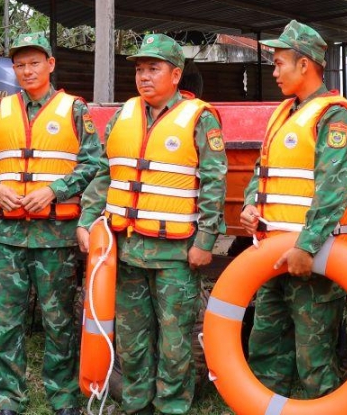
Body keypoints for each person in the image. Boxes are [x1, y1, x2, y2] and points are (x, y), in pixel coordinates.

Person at [76, 34, 227, 415]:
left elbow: (214, 181)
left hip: (176, 252)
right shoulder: (124, 114)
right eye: (140, 69)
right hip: (126, 250)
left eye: (153, 68)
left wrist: (206, 239)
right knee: (132, 339)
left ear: (176, 75)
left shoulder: (199, 117)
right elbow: (104, 173)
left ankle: (172, 407)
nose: (144, 77)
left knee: (175, 340)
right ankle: (136, 405)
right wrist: (86, 219)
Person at [0, 32, 104, 415]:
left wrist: (56, 190)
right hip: (8, 236)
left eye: (34, 63)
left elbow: (96, 164)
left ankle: (63, 399)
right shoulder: (1, 109)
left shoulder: (74, 110)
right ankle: (10, 400)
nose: (27, 70)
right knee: (6, 322)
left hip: (54, 237)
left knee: (59, 323)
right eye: (20, 64)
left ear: (50, 65)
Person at [238, 20, 347, 398]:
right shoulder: (282, 113)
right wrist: (248, 205)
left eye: (279, 64)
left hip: (313, 258)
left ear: (304, 65)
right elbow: (264, 171)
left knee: (314, 360)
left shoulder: (335, 116)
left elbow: (333, 189)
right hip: (272, 254)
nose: (273, 73)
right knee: (265, 349)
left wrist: (306, 246)